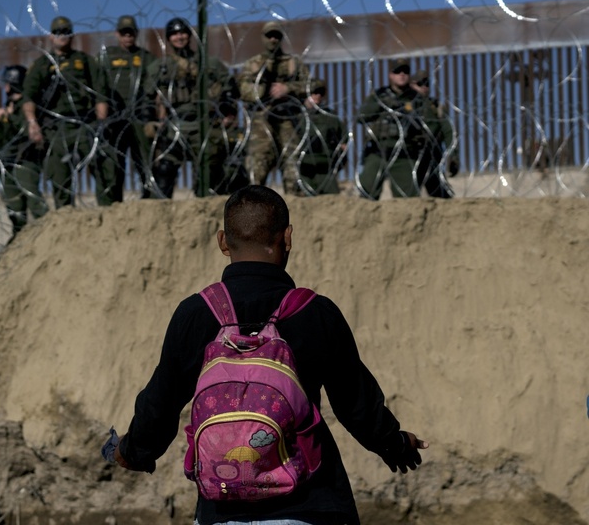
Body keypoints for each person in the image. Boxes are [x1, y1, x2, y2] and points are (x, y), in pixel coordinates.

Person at [108, 185, 428, 525]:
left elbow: (161, 402)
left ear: (223, 242)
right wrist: (393, 444)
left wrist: (133, 452)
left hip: (222, 510)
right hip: (309, 504)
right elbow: (356, 404)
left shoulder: (195, 314)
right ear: (287, 238)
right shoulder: (315, 313)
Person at [21, 16, 114, 208]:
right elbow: (28, 97)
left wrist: (101, 124)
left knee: (103, 165)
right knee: (60, 175)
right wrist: (32, 123)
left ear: (72, 35)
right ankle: (65, 218)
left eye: (66, 32)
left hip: (84, 123)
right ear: (51, 36)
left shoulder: (85, 60)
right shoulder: (41, 65)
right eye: (58, 32)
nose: (62, 36)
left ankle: (108, 210)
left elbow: (100, 93)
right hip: (56, 128)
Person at [144, 17, 242, 198]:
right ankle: (160, 214)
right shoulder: (160, 67)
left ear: (190, 36)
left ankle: (203, 210)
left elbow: (230, 89)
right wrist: (150, 121)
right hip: (175, 124)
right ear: (168, 38)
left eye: (183, 33)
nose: (179, 37)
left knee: (208, 173)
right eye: (174, 34)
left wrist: (228, 113)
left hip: (204, 125)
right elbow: (146, 98)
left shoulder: (209, 64)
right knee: (164, 169)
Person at [238, 21, 311, 195]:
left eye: (276, 36)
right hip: (261, 122)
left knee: (292, 167)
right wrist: (263, 89)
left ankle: (292, 207)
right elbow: (243, 89)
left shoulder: (294, 63)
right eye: (269, 36)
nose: (273, 39)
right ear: (263, 38)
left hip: (288, 119)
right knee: (258, 167)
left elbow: (309, 86)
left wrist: (288, 89)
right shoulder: (253, 64)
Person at [356, 58, 437, 200]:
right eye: (397, 71)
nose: (402, 74)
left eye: (405, 71)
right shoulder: (379, 95)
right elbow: (361, 117)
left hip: (404, 153)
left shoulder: (416, 98)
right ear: (390, 75)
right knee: (367, 193)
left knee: (407, 199)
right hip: (379, 151)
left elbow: (432, 123)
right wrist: (382, 104)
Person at [96, 15, 157, 200]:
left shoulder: (146, 57)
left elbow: (156, 89)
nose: (128, 37)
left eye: (131, 33)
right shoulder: (107, 56)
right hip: (116, 118)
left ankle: (149, 200)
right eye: (124, 33)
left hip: (140, 116)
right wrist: (102, 117)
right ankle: (115, 203)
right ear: (117, 34)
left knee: (145, 161)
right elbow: (99, 86)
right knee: (115, 163)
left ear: (136, 34)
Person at [0, 65, 49, 242]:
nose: (4, 86)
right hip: (6, 162)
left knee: (33, 199)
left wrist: (9, 116)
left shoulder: (27, 106)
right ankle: (19, 237)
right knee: (13, 205)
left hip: (24, 159)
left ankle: (48, 234)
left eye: (7, 82)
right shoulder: (9, 106)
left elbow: (24, 131)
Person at [409, 70, 459, 198]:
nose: (424, 87)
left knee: (440, 194)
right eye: (420, 83)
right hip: (412, 157)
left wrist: (453, 156)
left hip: (432, 156)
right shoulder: (405, 105)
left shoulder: (435, 106)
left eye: (427, 83)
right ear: (411, 85)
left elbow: (449, 132)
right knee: (409, 194)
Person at [296, 79, 348, 195]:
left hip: (325, 168)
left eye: (321, 93)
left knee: (332, 201)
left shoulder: (329, 117)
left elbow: (344, 140)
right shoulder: (296, 117)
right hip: (302, 169)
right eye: (314, 92)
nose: (318, 96)